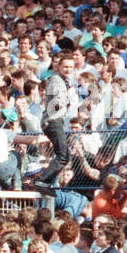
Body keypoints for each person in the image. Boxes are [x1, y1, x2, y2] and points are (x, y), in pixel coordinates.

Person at [29, 53, 76, 194]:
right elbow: (57, 102)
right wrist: (69, 95)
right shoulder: (56, 80)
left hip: (55, 120)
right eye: (65, 67)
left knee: (63, 155)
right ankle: (42, 181)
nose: (68, 70)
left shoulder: (63, 80)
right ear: (58, 66)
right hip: (53, 120)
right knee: (63, 156)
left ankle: (44, 182)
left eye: (71, 67)